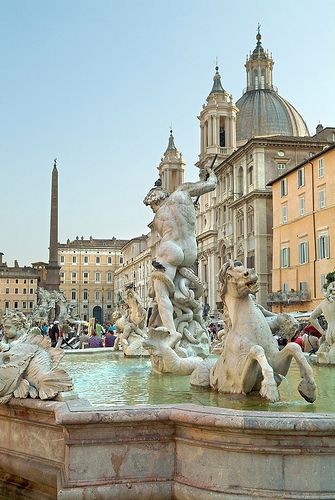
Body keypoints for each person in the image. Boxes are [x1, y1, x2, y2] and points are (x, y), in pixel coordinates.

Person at [143, 165, 217, 347]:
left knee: (161, 295)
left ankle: (173, 332)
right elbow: (211, 184)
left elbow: (165, 236)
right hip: (191, 250)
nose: (152, 210)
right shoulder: (183, 192)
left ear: (156, 200)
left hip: (171, 249)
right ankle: (192, 321)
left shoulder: (157, 218)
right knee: (179, 287)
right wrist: (211, 173)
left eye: (151, 206)